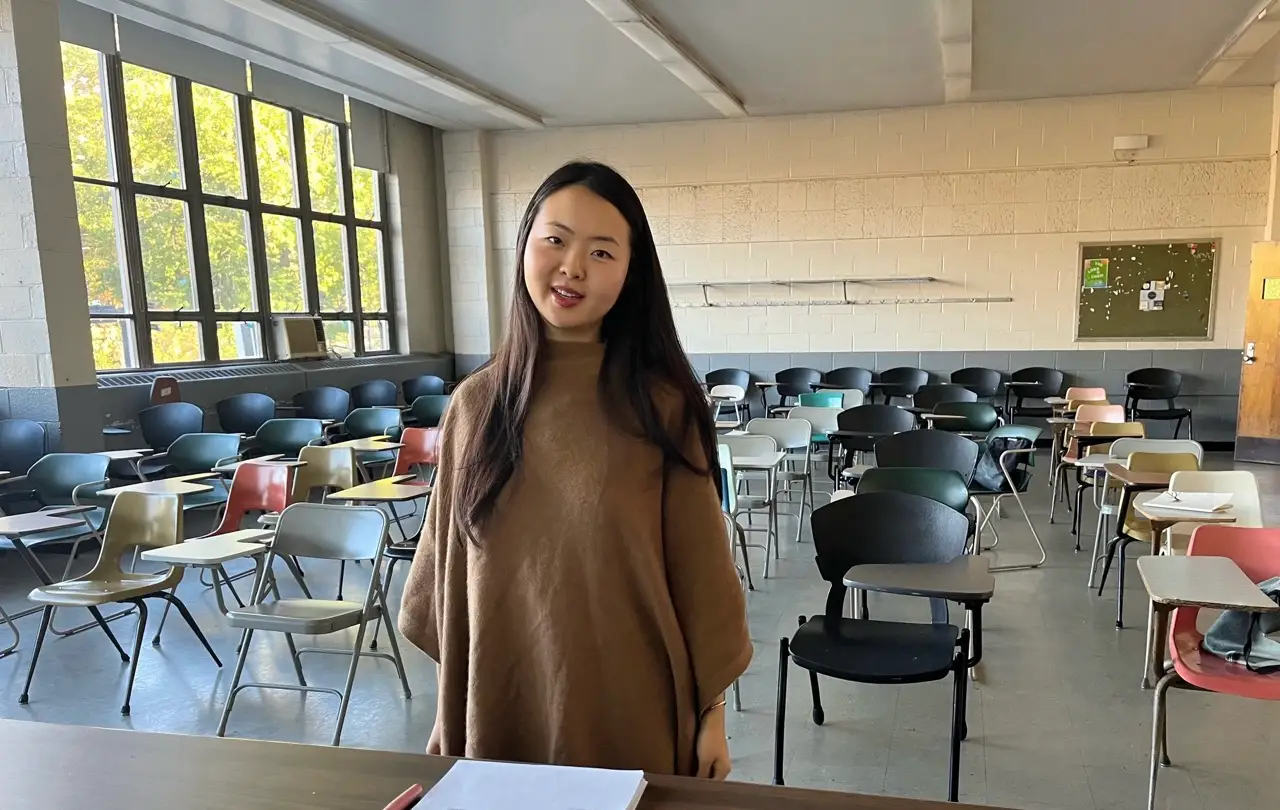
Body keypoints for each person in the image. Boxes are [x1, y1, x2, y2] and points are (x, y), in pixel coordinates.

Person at [398, 161, 751, 779]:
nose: (572, 268)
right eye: (555, 240)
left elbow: (701, 576)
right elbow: (450, 576)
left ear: (631, 273)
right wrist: (446, 713)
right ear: (525, 246)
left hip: (631, 705)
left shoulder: (662, 406)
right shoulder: (476, 405)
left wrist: (711, 717)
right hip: (501, 699)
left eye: (602, 252)